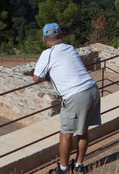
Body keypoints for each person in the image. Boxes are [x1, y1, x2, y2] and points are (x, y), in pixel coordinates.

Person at [33, 22, 101, 174]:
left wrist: (48, 76)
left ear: (44, 39)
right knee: (83, 130)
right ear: (61, 36)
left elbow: (36, 78)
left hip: (75, 96)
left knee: (66, 133)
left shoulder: (47, 54)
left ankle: (63, 169)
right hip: (92, 89)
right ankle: (78, 165)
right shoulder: (70, 48)